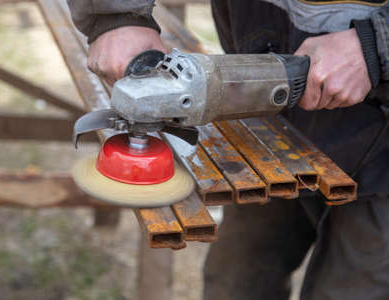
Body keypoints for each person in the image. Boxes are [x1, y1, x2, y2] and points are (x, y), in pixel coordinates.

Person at [67, 1, 389, 299]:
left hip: (383, 146)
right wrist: (117, 18)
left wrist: (375, 44)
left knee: (354, 289)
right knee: (234, 283)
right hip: (267, 132)